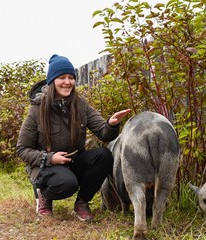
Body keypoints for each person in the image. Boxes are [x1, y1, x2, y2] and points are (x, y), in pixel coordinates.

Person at [16, 54, 131, 222]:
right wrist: (49, 158)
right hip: (44, 166)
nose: (67, 82)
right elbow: (22, 149)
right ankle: (44, 196)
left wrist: (112, 124)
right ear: (52, 81)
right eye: (62, 77)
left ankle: (82, 203)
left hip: (72, 161)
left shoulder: (80, 104)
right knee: (66, 184)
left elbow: (103, 132)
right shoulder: (37, 110)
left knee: (104, 155)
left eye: (71, 77)